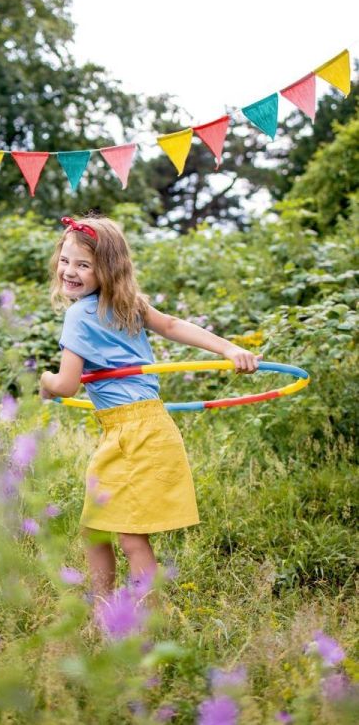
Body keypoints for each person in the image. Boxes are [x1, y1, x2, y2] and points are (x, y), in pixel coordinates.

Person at [40, 214, 262, 609]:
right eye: (65, 261)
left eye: (83, 265)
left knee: (128, 534)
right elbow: (174, 325)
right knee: (96, 527)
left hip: (132, 431)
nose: (69, 272)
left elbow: (67, 384)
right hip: (148, 425)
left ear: (106, 269)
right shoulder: (125, 303)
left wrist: (45, 382)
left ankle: (148, 621)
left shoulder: (78, 316)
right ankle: (105, 610)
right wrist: (227, 347)